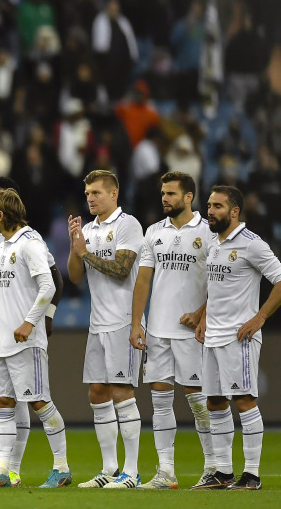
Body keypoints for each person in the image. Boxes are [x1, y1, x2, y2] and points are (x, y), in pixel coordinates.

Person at [0, 176, 64, 487]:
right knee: (1, 403)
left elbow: (49, 285)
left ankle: (62, 467)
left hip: (25, 340)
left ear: (1, 214)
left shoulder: (29, 242)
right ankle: (3, 472)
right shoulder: (4, 245)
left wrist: (31, 321)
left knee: (39, 403)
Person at [129, 171, 214, 489]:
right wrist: (138, 323)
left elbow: (219, 279)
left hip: (192, 333)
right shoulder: (153, 232)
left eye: (171, 194)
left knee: (199, 401)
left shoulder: (207, 232)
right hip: (159, 331)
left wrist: (202, 313)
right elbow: (144, 279)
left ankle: (214, 467)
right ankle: (166, 472)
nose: (164, 198)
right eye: (163, 193)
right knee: (160, 401)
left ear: (189, 197)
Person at [193, 185, 281, 490]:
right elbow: (216, 289)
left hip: (238, 337)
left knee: (244, 400)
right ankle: (224, 473)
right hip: (213, 336)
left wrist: (260, 317)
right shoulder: (214, 244)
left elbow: (280, 279)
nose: (210, 211)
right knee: (215, 401)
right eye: (209, 205)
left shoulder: (252, 244)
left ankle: (252, 475)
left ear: (234, 211)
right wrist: (204, 317)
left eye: (217, 206)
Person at [67, 169, 145, 488]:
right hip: (97, 323)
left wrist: (86, 252)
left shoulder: (128, 224)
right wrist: (75, 248)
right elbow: (75, 277)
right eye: (87, 194)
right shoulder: (89, 229)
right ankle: (109, 468)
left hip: (123, 321)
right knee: (97, 392)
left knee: (122, 392)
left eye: (96, 193)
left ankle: (132, 470)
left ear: (114, 193)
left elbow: (123, 270)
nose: (90, 198)